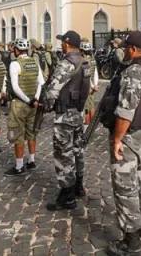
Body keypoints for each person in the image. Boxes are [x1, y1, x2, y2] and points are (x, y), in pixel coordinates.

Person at [98, 31, 141, 256]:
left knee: (125, 186)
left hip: (130, 136)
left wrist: (117, 139)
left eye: (127, 48)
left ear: (132, 49)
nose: (125, 51)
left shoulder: (134, 71)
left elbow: (126, 111)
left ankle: (131, 241)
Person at [42, 30, 90, 211]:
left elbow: (53, 91)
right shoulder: (85, 63)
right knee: (78, 151)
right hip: (78, 112)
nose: (61, 44)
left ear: (67, 44)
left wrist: (45, 105)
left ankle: (67, 195)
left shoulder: (66, 64)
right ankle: (78, 186)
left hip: (64, 116)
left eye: (63, 42)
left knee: (64, 154)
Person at [5, 38, 44, 175]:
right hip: (34, 103)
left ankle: (19, 166)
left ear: (16, 50)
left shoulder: (15, 64)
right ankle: (31, 161)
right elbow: (41, 82)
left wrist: (28, 100)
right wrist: (36, 100)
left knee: (18, 134)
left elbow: (15, 87)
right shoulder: (34, 62)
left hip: (20, 103)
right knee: (31, 132)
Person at [80, 39, 99, 133]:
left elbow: (86, 75)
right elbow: (95, 74)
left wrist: (92, 86)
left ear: (82, 51)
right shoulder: (93, 60)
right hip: (92, 87)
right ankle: (92, 126)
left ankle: (87, 128)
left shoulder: (84, 61)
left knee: (87, 108)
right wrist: (95, 84)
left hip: (87, 86)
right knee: (91, 105)